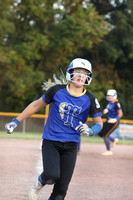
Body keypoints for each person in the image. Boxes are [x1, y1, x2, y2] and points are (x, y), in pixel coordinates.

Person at [5, 58, 103, 200]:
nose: (82, 76)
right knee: (51, 176)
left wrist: (90, 130)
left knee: (61, 191)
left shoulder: (90, 98)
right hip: (51, 141)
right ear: (70, 73)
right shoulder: (57, 91)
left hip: (71, 145)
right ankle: (39, 182)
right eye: (78, 72)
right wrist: (16, 121)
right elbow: (35, 105)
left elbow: (99, 123)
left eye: (85, 73)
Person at [98, 89, 123, 156]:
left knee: (105, 136)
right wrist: (107, 110)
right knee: (100, 133)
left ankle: (108, 150)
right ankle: (114, 140)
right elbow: (110, 108)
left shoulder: (116, 103)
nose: (109, 97)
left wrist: (115, 119)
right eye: (108, 96)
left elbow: (120, 114)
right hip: (108, 120)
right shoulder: (110, 102)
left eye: (111, 96)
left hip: (114, 122)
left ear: (114, 96)